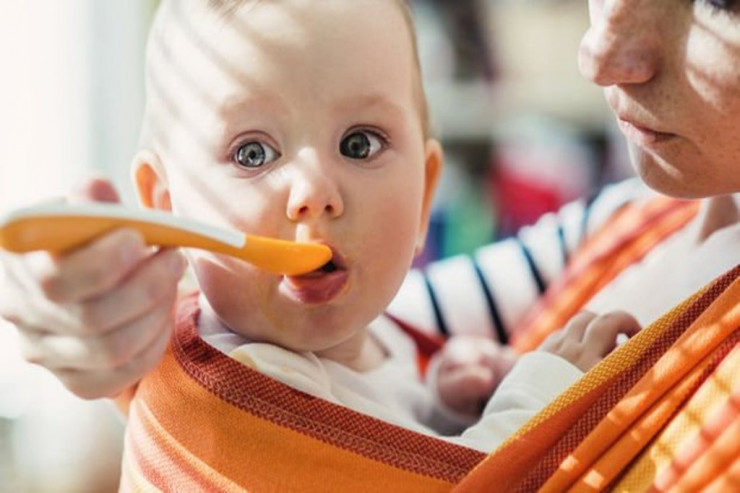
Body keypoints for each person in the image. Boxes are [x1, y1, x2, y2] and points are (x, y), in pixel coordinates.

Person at [3, 0, 737, 489]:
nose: (314, 190)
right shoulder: (244, 383)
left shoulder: (366, 343)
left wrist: (445, 407)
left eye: (360, 141)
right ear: (165, 204)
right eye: (253, 153)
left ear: (425, 195)